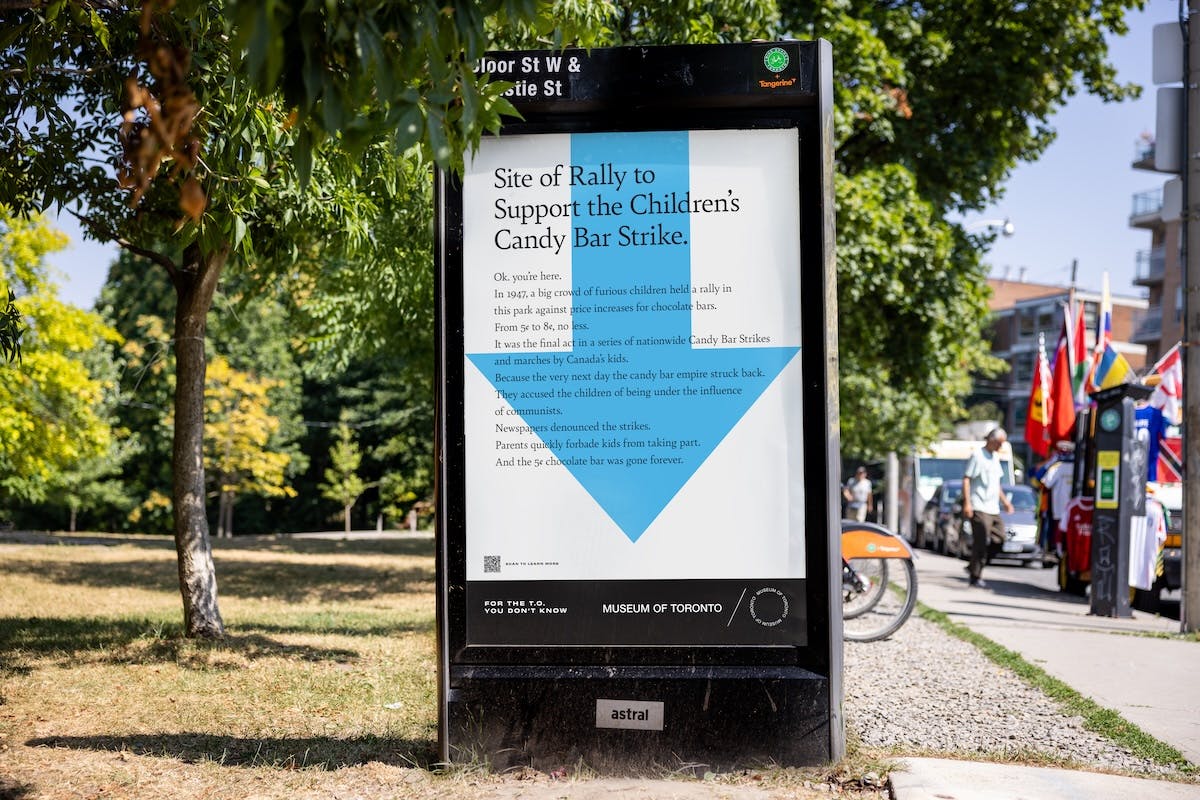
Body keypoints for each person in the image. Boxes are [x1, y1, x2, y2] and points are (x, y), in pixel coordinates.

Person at [962, 428, 1014, 588]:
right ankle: (975, 576)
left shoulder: (995, 458)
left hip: (993, 508)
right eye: (999, 443)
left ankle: (974, 566)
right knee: (981, 541)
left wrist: (1005, 502)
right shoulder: (977, 456)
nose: (1001, 446)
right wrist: (967, 503)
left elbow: (996, 484)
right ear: (991, 440)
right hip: (978, 505)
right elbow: (966, 479)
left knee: (1000, 538)